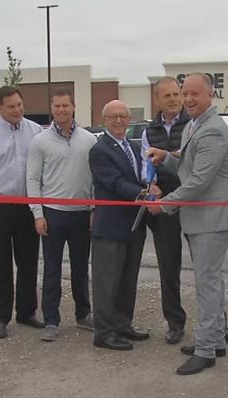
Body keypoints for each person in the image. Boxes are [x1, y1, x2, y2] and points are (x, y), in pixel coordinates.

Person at [147, 73, 228, 375]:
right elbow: (188, 166)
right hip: (199, 218)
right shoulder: (195, 125)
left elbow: (199, 181)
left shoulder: (212, 130)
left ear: (211, 95)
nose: (187, 99)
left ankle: (206, 350)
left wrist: (165, 204)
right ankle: (215, 340)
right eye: (185, 93)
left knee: (207, 284)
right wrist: (166, 158)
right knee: (211, 281)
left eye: (194, 94)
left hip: (211, 220)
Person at [0, 86, 45, 339]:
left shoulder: (36, 132)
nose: (17, 110)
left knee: (28, 261)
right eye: (11, 106)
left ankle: (26, 312)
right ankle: (0, 317)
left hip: (27, 207)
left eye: (20, 105)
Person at [89, 100, 161, 351]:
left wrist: (150, 187)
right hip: (110, 226)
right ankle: (104, 332)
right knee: (106, 282)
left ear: (129, 119)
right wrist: (143, 193)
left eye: (123, 116)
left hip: (134, 224)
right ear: (103, 120)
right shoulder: (100, 150)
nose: (118, 121)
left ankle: (122, 324)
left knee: (127, 279)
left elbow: (140, 174)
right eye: (113, 117)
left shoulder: (131, 146)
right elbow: (114, 182)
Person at [26, 88, 97, 341]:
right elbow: (33, 179)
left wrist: (93, 209)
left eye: (65, 106)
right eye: (57, 106)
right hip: (52, 214)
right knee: (52, 269)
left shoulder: (89, 140)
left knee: (80, 268)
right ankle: (51, 320)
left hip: (81, 214)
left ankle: (83, 314)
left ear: (74, 106)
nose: (61, 110)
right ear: (52, 108)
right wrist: (37, 214)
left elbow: (95, 178)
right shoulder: (40, 141)